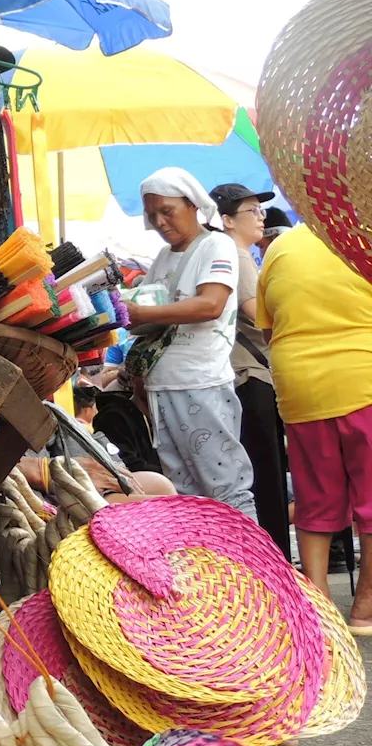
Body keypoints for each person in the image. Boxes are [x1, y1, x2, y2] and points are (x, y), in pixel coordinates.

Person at [258, 223, 372, 633]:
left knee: (315, 495)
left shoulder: (281, 246)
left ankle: (317, 608)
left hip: (299, 384)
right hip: (364, 375)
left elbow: (269, 330)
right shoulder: (362, 237)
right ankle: (366, 608)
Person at [125, 169, 257, 519]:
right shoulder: (163, 258)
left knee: (226, 487)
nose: (159, 222)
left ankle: (252, 567)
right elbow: (146, 316)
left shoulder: (216, 245)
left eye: (167, 211)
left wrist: (141, 313)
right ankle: (210, 570)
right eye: (152, 214)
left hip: (201, 383)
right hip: (164, 386)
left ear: (193, 204)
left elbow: (210, 305)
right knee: (185, 496)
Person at [210, 184, 292, 560]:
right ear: (226, 220)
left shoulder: (237, 254)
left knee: (262, 473)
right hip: (250, 376)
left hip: (247, 375)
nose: (260, 217)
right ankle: (276, 560)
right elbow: (253, 313)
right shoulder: (238, 256)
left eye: (261, 211)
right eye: (251, 211)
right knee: (265, 477)